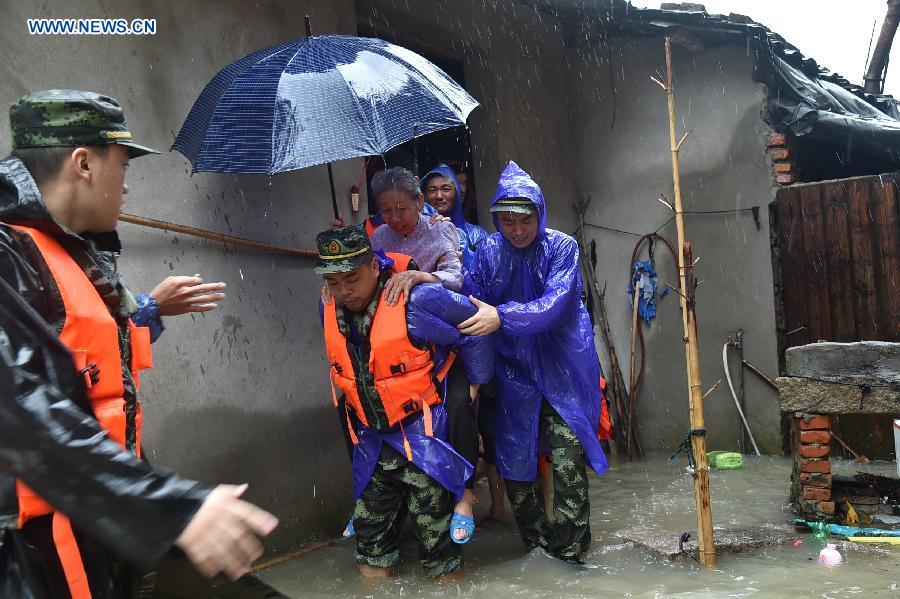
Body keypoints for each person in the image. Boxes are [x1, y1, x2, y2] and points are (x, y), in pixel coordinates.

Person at [0, 89, 278, 596]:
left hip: (97, 525)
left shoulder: (70, 251)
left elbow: (85, 356)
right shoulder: (7, 252)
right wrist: (167, 506)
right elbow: (16, 402)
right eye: (122, 166)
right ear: (83, 163)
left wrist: (149, 309)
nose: (125, 187)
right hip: (29, 554)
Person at [316, 226, 492, 577]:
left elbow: (477, 328)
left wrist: (474, 384)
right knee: (371, 558)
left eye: (351, 278)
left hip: (422, 441)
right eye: (334, 282)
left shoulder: (418, 300)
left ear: (374, 267)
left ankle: (464, 496)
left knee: (442, 562)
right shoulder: (327, 303)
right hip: (373, 445)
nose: (344, 291)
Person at [459, 160, 608, 564]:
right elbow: (473, 314)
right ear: (496, 220)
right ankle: (539, 550)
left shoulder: (562, 247)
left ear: (540, 214)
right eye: (506, 221)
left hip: (562, 366)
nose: (517, 230)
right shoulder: (487, 252)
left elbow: (556, 306)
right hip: (514, 370)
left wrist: (501, 316)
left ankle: (574, 550)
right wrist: (475, 379)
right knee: (514, 463)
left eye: (525, 220)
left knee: (567, 457)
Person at [420, 163, 487, 270]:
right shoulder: (415, 232)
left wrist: (457, 240)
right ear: (424, 196)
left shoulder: (476, 234)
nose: (439, 196)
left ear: (457, 194)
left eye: (446, 189)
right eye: (432, 190)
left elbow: (486, 273)